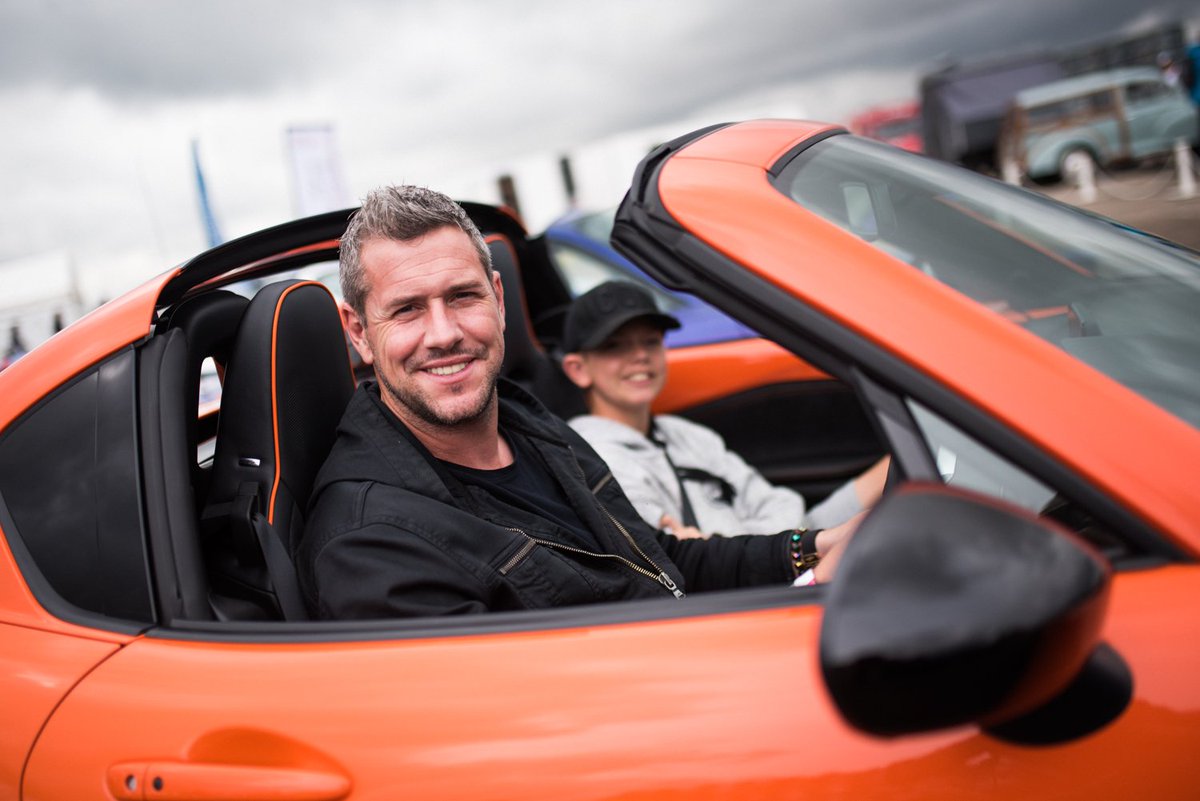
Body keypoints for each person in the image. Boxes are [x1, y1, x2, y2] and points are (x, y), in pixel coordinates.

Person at [297, 186, 857, 620]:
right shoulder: (371, 545)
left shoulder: (528, 423)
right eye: (407, 310)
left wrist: (812, 548)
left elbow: (656, 561)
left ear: (497, 298)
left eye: (462, 296)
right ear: (360, 333)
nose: (443, 334)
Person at [560, 281, 888, 540]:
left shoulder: (688, 435)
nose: (640, 356)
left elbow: (784, 508)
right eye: (614, 346)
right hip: (741, 590)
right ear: (578, 370)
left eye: (650, 342)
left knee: (895, 471)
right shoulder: (593, 460)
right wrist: (774, 537)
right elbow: (692, 558)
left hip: (787, 551)